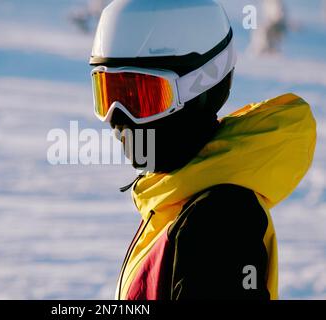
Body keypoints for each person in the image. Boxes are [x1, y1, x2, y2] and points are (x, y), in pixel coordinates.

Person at [89, 0, 316, 300]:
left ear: (201, 89)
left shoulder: (220, 223)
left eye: (142, 96)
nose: (117, 118)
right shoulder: (175, 196)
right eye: (110, 94)